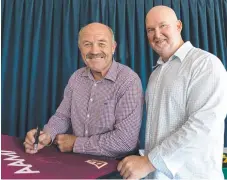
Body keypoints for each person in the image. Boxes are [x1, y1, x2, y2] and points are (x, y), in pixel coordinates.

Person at [117, 5, 227, 179]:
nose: (157, 34)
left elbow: (204, 125)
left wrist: (148, 162)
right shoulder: (156, 74)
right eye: (150, 30)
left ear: (178, 26)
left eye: (163, 26)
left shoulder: (205, 64)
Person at [24, 22, 143, 158]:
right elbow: (63, 117)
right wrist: (46, 135)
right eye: (87, 44)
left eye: (102, 43)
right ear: (81, 50)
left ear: (113, 47)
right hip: (79, 160)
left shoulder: (129, 81)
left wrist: (76, 144)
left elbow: (125, 141)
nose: (94, 51)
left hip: (117, 164)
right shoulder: (76, 78)